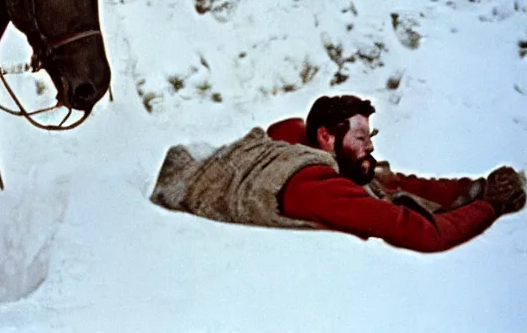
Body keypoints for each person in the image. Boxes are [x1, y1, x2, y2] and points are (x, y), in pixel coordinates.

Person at [150, 95, 525, 253]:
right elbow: (422, 234)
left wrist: (473, 187)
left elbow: (395, 183)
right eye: (361, 137)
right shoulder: (316, 186)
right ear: (327, 138)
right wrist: (489, 205)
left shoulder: (298, 136)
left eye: (370, 136)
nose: (370, 147)